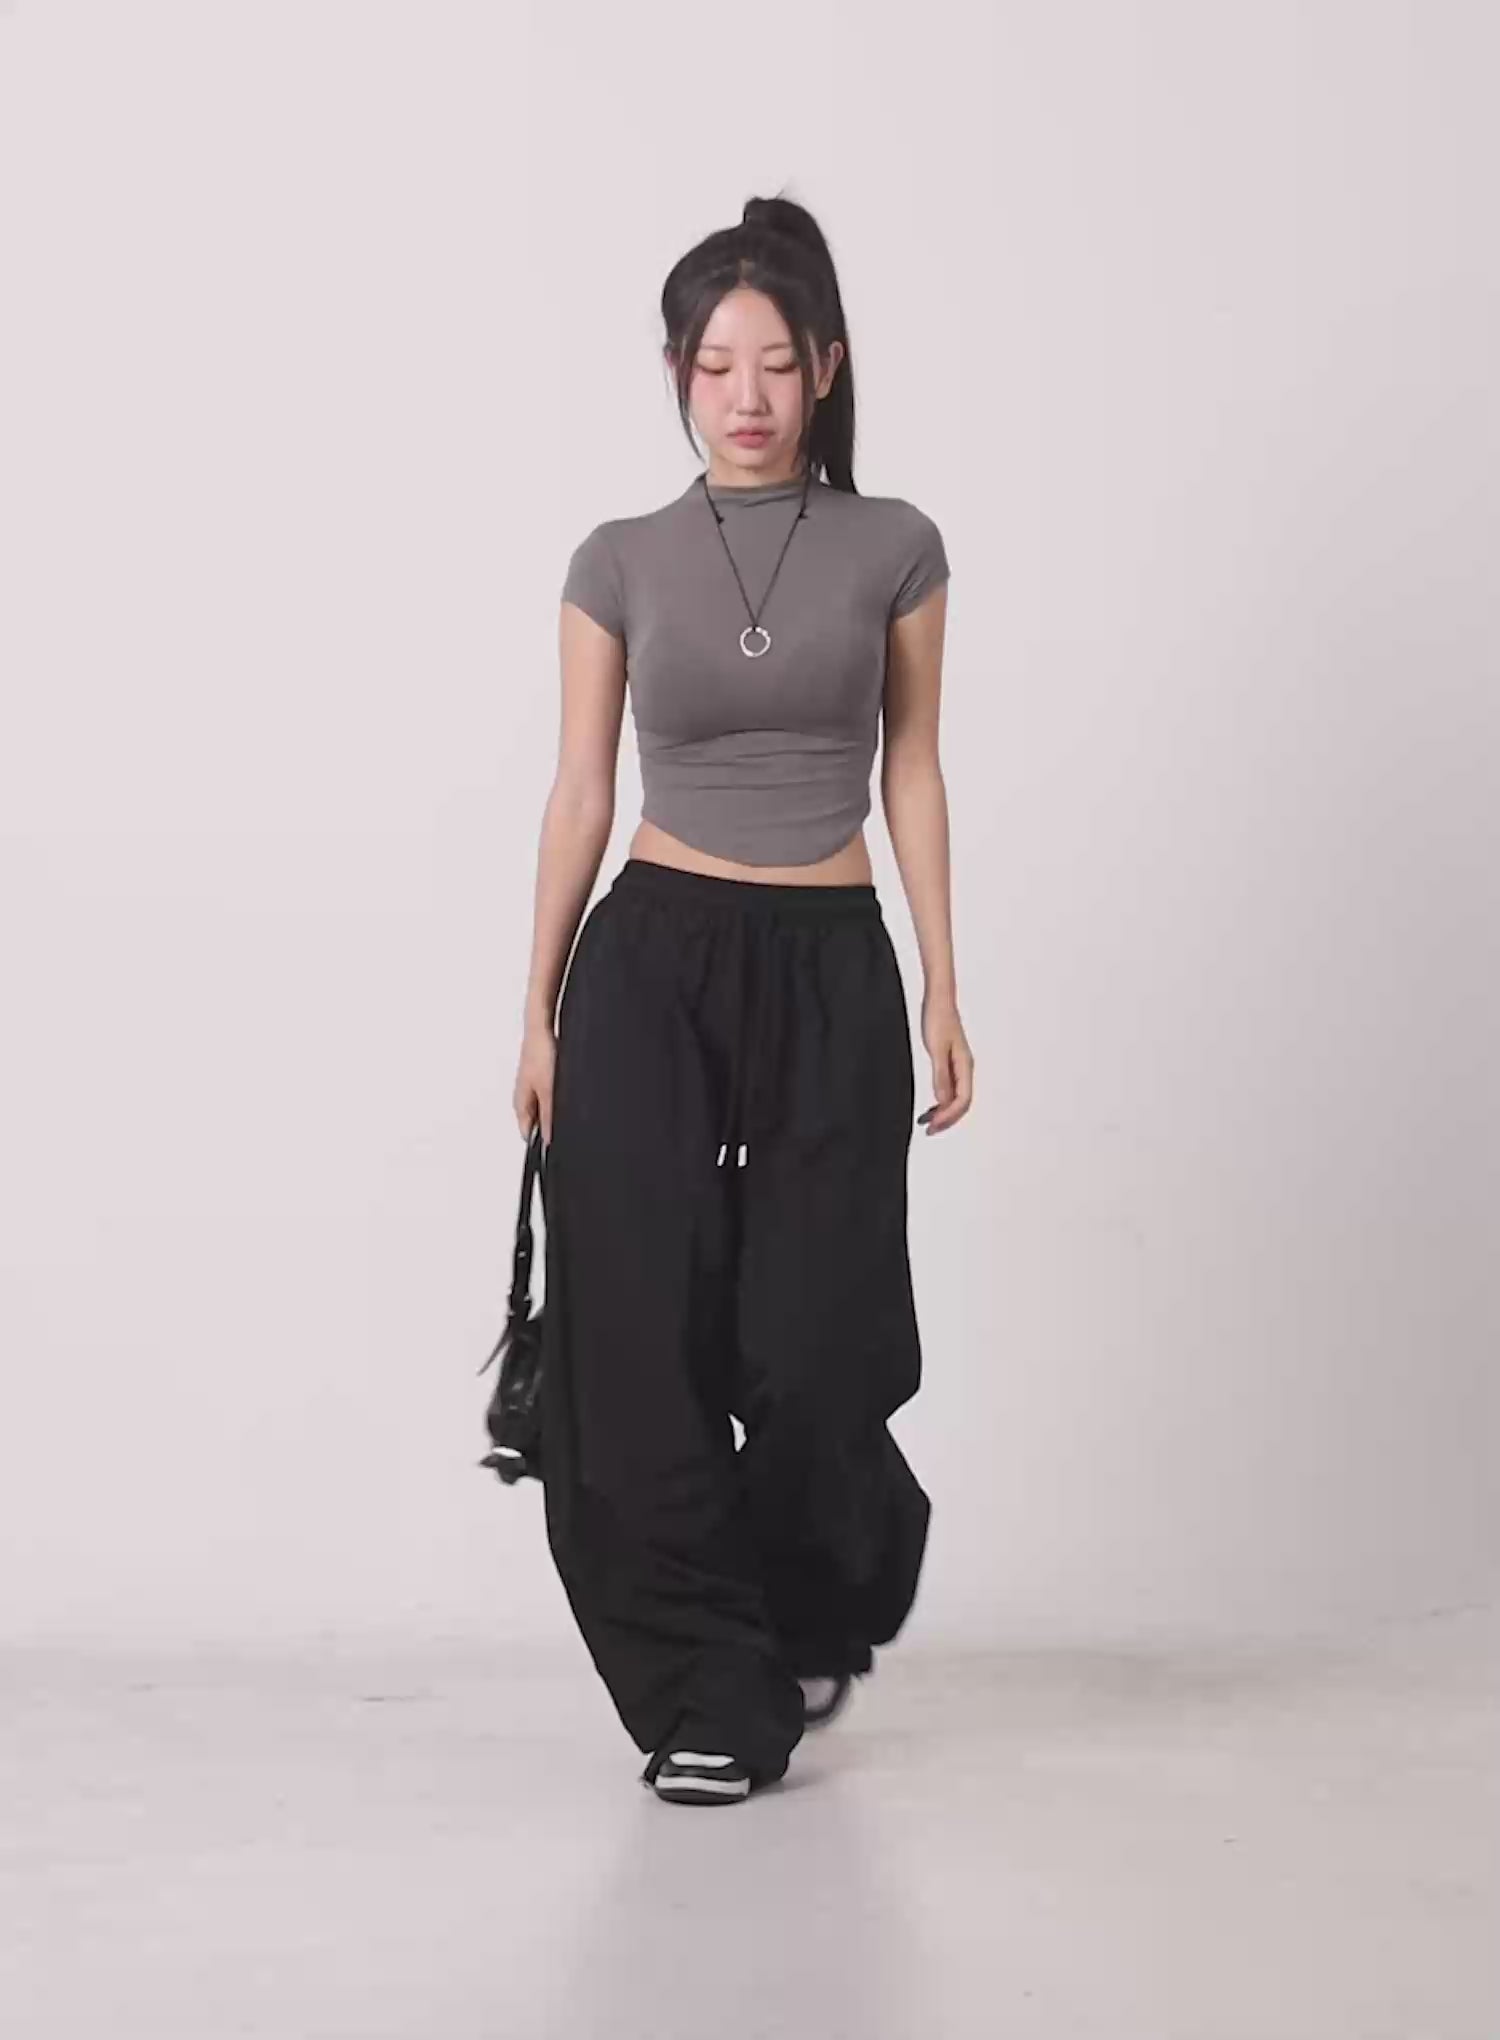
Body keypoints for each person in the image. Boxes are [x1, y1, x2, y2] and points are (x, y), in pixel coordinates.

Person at [512, 191, 973, 1807]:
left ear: (827, 368)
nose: (748, 395)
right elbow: (580, 789)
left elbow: (913, 769)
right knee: (635, 1336)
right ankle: (708, 1695)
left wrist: (945, 985)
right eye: (716, 366)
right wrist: (537, 1007)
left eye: (778, 362)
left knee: (817, 1339)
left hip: (831, 960)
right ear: (677, 375)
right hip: (652, 961)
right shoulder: (618, 559)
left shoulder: (895, 546)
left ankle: (807, 1599)